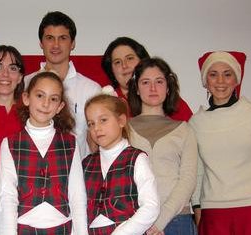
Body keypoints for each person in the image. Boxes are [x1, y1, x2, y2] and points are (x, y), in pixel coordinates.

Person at [190, 51, 251, 235]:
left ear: (236, 79)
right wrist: (197, 208)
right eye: (213, 74)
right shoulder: (196, 123)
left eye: (227, 74)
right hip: (213, 213)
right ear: (205, 82)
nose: (220, 81)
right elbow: (197, 172)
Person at [0, 71, 88, 234]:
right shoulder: (10, 144)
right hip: (23, 229)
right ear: (26, 98)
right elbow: (8, 197)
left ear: (60, 106)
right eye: (40, 95)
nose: (46, 103)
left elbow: (77, 195)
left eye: (53, 99)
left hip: (62, 229)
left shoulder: (70, 143)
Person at [128, 58, 197, 235]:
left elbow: (188, 180)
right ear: (136, 88)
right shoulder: (123, 130)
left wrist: (160, 221)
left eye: (159, 81)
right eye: (145, 82)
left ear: (168, 88)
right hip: (134, 221)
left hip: (177, 220)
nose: (153, 88)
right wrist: (144, 221)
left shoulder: (184, 130)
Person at [25, 11, 101, 157]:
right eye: (49, 38)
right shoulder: (25, 83)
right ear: (41, 43)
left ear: (72, 43)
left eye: (63, 38)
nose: (56, 45)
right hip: (31, 170)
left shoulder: (91, 89)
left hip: (78, 172)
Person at [83, 93, 159, 234]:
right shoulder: (86, 164)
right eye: (91, 124)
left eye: (103, 120)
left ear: (121, 121)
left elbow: (151, 206)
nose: (96, 128)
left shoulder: (137, 159)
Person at [101, 36, 192, 121]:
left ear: (143, 61)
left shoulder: (166, 98)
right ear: (111, 70)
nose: (124, 65)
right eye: (117, 62)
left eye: (130, 58)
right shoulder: (107, 102)